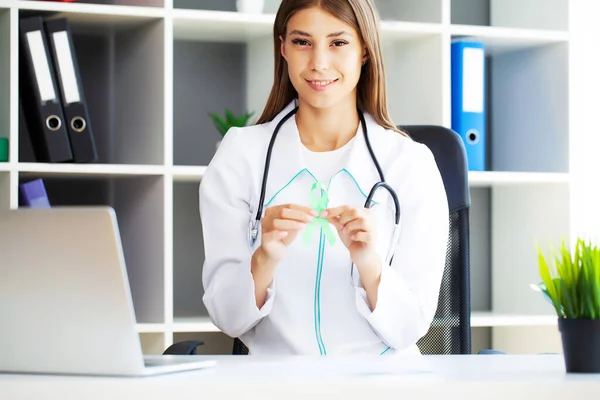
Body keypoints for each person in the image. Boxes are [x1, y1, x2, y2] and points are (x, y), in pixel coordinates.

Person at [199, 0, 449, 356]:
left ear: (365, 49)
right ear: (282, 47)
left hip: (382, 386)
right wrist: (264, 259)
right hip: (275, 385)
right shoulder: (241, 155)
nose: (318, 63)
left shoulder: (410, 164)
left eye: (338, 42)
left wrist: (368, 263)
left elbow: (410, 328)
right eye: (302, 42)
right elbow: (227, 318)